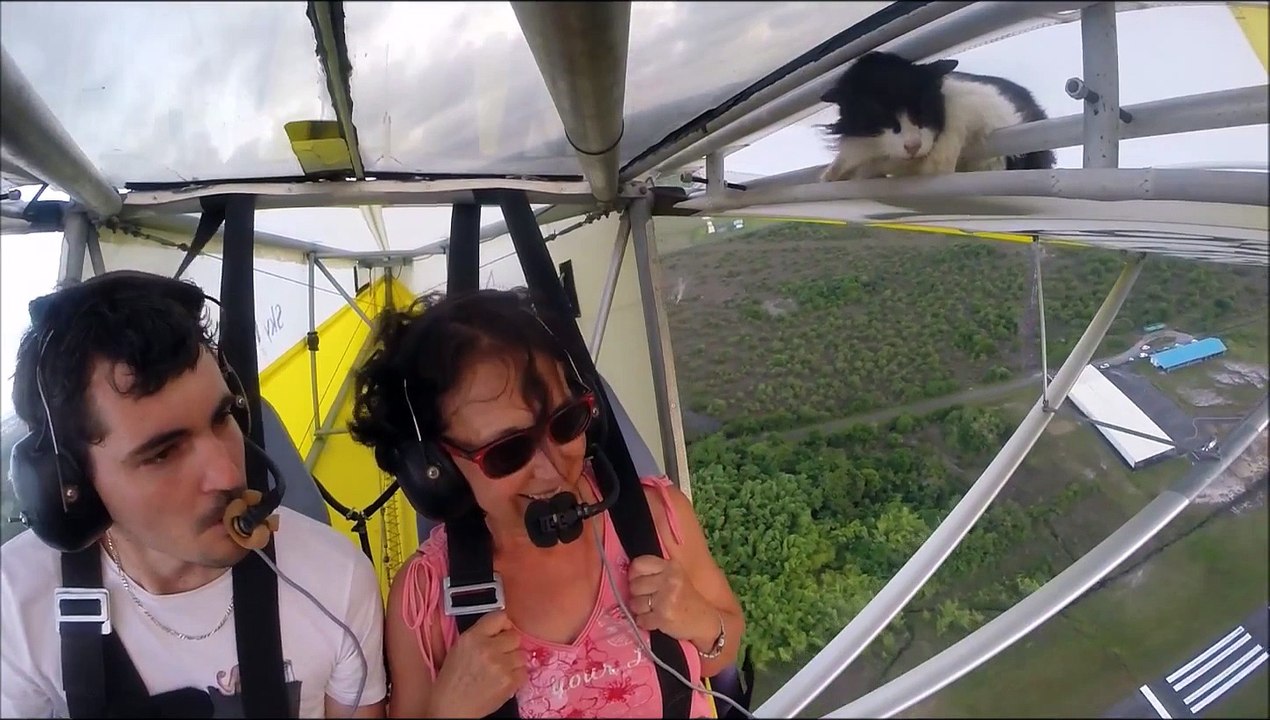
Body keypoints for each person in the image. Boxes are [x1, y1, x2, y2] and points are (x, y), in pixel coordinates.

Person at [0, 270, 388, 718]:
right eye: (163, 453)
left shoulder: (335, 581)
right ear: (71, 485)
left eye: (223, 417)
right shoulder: (16, 602)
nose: (227, 474)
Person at [346, 287, 745, 718]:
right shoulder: (424, 602)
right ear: (437, 468)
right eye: (507, 451)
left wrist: (700, 620)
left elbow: (721, 653)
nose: (551, 469)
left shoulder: (656, 520)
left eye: (565, 423)